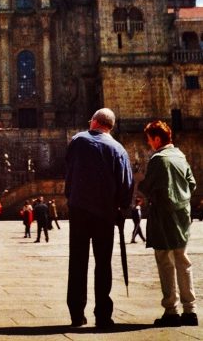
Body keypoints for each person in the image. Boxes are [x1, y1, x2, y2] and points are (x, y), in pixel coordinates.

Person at [65, 108, 133, 329]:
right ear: (110, 126)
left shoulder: (77, 141)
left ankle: (76, 314)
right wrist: (122, 209)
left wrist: (72, 197)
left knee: (77, 262)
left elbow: (69, 172)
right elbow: (126, 185)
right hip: (105, 213)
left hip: (79, 210)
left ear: (94, 122)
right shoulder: (118, 148)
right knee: (103, 264)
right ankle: (103, 315)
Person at [138, 120, 198, 327]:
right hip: (182, 216)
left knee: (165, 261)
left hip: (163, 217)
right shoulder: (180, 156)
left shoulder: (159, 159)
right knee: (183, 260)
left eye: (149, 139)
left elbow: (147, 186)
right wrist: (181, 200)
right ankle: (190, 310)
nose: (148, 144)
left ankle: (171, 310)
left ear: (156, 139)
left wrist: (142, 185)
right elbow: (192, 184)